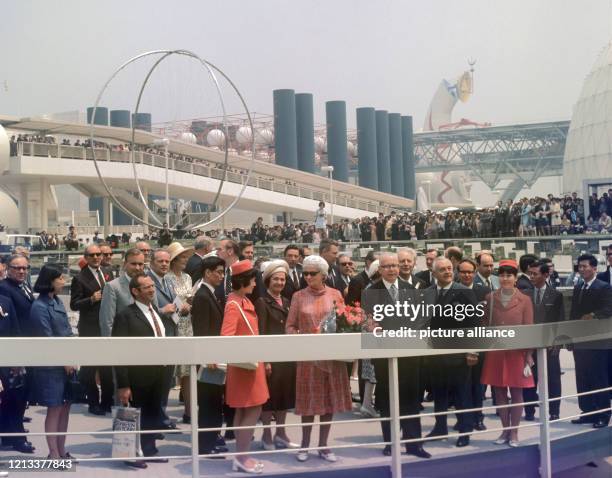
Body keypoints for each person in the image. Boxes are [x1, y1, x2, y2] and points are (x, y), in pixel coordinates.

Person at [286, 255, 352, 463]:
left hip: (332, 359)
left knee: (329, 403)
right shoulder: (298, 296)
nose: (307, 276)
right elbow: (289, 326)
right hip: (308, 359)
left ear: (323, 275)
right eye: (305, 273)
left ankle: (323, 445)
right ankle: (304, 444)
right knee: (308, 404)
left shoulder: (336, 294)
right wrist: (301, 340)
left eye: (312, 273)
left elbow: (345, 322)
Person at [366, 253, 430, 458]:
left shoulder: (411, 289)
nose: (393, 269)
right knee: (387, 400)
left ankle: (414, 445)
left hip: (409, 355)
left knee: (411, 400)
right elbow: (369, 321)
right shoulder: (371, 291)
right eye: (387, 266)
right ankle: (390, 443)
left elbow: (421, 319)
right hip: (384, 355)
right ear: (380, 270)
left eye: (395, 265)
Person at [112, 274, 176, 469]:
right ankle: (128, 453)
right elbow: (119, 351)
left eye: (152, 286)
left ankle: (149, 449)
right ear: (135, 291)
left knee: (152, 413)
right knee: (133, 414)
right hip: (136, 376)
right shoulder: (125, 315)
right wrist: (123, 385)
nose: (151, 290)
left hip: (159, 374)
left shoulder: (154, 310)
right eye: (146, 287)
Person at [425, 257, 480, 447]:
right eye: (442, 269)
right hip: (435, 355)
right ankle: (440, 427)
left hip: (458, 354)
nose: (448, 272)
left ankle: (465, 430)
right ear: (434, 274)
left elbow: (474, 324)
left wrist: (473, 351)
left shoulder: (464, 292)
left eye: (450, 268)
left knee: (461, 394)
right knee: (439, 393)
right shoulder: (428, 293)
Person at [221, 260, 269, 474]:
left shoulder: (240, 301)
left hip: (249, 365)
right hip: (245, 366)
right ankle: (242, 456)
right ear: (243, 281)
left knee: (244, 409)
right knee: (252, 409)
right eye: (252, 279)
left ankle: (241, 455)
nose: (255, 283)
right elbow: (227, 336)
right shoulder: (234, 304)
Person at [481, 259, 535, 447]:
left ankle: (514, 433)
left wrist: (528, 355)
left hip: (517, 353)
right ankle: (505, 430)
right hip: (496, 351)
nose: (505, 278)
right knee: (499, 392)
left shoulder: (525, 300)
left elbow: (529, 328)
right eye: (502, 275)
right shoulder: (490, 298)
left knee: (517, 393)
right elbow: (484, 325)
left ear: (515, 277)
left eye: (509, 275)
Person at [29, 265, 74, 460]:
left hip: (68, 364)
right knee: (54, 409)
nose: (64, 281)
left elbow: (67, 332)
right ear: (50, 281)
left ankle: (62, 450)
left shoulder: (56, 301)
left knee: (65, 408)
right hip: (51, 367)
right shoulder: (39, 307)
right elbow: (46, 338)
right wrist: (64, 360)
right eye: (61, 278)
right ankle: (53, 453)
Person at [254, 260, 298, 451]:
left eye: (282, 279)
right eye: (276, 279)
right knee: (269, 399)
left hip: (287, 357)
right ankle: (266, 435)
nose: (280, 283)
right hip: (272, 359)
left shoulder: (288, 302)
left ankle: (281, 433)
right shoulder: (262, 302)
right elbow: (261, 333)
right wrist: (266, 360)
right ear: (268, 281)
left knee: (284, 397)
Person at [570, 254, 612, 429]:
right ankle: (587, 412)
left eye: (585, 266)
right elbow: (573, 313)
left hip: (598, 342)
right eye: (579, 266)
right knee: (582, 377)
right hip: (580, 341)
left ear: (594, 268)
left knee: (599, 378)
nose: (582, 269)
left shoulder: (604, 287)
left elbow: (608, 309)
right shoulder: (579, 287)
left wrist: (593, 316)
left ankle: (603, 414)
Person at [69, 245, 113, 416]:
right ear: (86, 258)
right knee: (89, 369)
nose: (96, 257)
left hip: (108, 326)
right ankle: (93, 402)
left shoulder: (108, 272)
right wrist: (91, 299)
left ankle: (107, 402)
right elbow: (74, 304)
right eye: (92, 255)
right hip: (90, 328)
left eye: (99, 254)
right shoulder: (79, 278)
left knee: (107, 368)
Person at [191, 256, 227, 458]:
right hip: (209, 361)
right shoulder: (203, 296)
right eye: (218, 272)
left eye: (223, 272)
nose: (222, 276)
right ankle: (205, 444)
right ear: (207, 273)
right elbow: (202, 331)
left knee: (213, 402)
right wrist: (208, 357)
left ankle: (212, 439)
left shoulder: (210, 293)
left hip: (213, 358)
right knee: (208, 403)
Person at [0, 254, 34, 453]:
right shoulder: (6, 289)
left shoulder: (7, 297)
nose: (21, 271)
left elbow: (15, 328)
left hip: (12, 354)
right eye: (16, 268)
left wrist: (18, 357)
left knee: (16, 396)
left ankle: (13, 435)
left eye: (25, 268)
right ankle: (13, 436)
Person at [523, 260, 564, 421]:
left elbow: (559, 321)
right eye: (530, 273)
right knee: (529, 378)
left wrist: (557, 343)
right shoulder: (524, 294)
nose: (531, 276)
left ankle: (554, 411)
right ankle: (529, 411)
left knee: (553, 379)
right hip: (529, 345)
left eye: (535, 273)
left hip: (549, 345)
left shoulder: (556, 295)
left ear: (546, 275)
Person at [165, 242, 195, 424]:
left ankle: (189, 412)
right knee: (170, 371)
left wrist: (189, 303)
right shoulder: (166, 278)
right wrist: (179, 306)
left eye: (186, 257)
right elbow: (166, 300)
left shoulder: (188, 277)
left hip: (188, 325)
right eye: (182, 258)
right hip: (172, 324)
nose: (185, 260)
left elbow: (190, 297)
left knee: (187, 371)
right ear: (174, 260)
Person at [99, 248, 145, 337]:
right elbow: (107, 322)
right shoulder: (112, 287)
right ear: (125, 264)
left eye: (140, 264)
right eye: (133, 264)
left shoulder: (149, 284)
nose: (137, 268)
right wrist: (109, 345)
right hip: (124, 342)